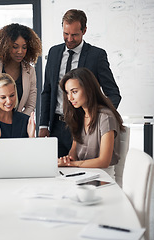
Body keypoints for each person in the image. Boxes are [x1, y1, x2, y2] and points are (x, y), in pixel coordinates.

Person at [39, 9, 121, 158]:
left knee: (80, 172)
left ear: (84, 31)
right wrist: (43, 125)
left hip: (83, 126)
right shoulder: (53, 53)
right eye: (66, 34)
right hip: (56, 125)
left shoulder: (96, 56)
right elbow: (47, 91)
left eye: (74, 35)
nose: (69, 39)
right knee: (55, 171)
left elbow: (114, 94)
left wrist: (98, 117)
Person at [57, 67, 125, 177]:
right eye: (67, 93)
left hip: (102, 176)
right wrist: (67, 161)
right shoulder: (79, 116)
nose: (70, 98)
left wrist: (73, 164)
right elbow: (73, 153)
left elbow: (104, 161)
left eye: (74, 92)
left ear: (88, 89)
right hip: (81, 174)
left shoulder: (105, 117)